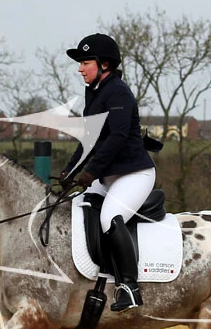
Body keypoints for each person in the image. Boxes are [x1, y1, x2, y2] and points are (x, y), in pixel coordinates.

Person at [61, 33, 156, 313]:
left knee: (109, 218)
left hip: (134, 174)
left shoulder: (118, 92)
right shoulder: (94, 93)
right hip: (109, 177)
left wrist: (90, 172)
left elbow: (117, 137)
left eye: (85, 63)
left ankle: (129, 287)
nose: (80, 69)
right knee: (76, 207)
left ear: (104, 64)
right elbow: (89, 140)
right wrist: (70, 171)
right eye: (80, 64)